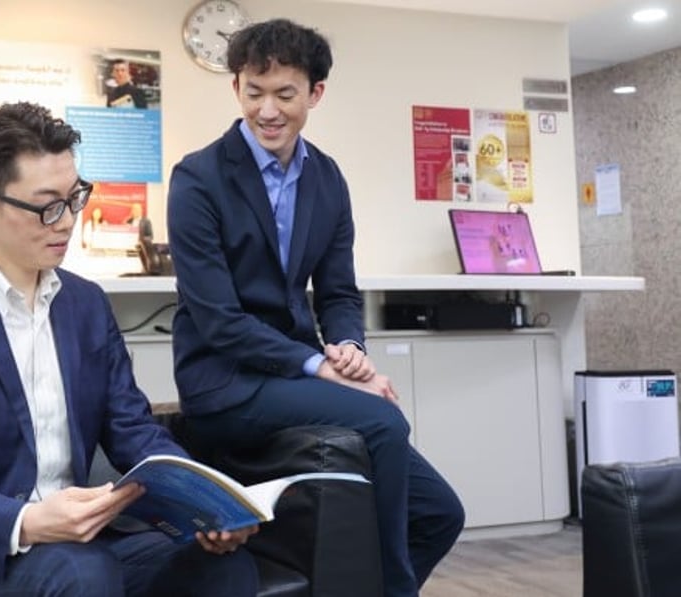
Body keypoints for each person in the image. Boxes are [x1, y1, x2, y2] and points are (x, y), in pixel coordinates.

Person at [0, 102, 257, 597]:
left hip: (81, 547)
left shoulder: (85, 304)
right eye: (48, 205)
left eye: (76, 198)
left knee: (226, 566)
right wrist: (25, 521)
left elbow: (131, 428)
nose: (67, 221)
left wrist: (203, 504)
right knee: (82, 573)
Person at [166, 19, 464, 597]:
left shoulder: (326, 178)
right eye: (254, 92)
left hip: (294, 376)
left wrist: (349, 350)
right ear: (236, 89)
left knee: (440, 515)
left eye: (285, 94)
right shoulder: (198, 179)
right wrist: (320, 368)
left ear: (315, 94)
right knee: (382, 417)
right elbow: (219, 322)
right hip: (225, 383)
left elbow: (338, 294)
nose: (268, 110)